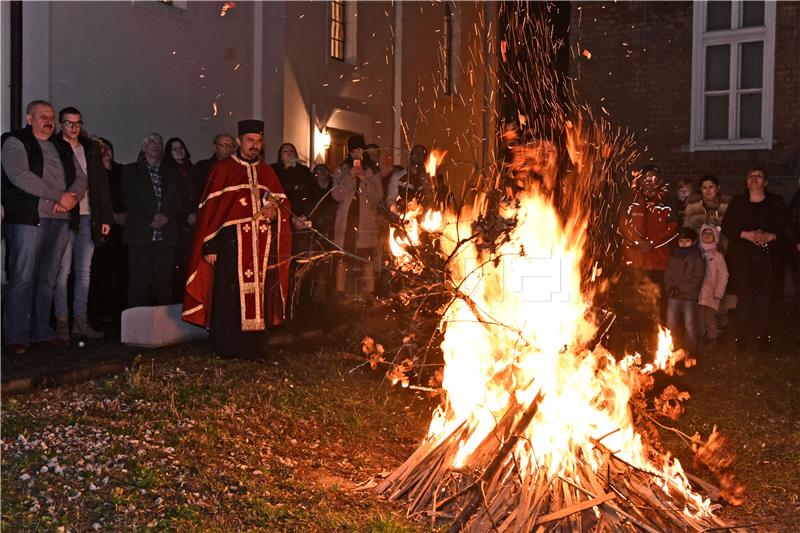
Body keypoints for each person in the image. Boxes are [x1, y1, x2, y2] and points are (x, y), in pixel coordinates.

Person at [183, 119, 292, 359]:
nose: (255, 145)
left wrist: (274, 212)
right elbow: (209, 214)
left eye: (259, 141)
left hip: (260, 245)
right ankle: (228, 348)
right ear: (239, 141)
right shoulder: (222, 170)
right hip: (230, 245)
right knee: (228, 294)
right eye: (250, 141)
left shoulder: (267, 171)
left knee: (259, 293)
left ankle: (255, 348)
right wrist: (209, 245)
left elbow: (282, 206)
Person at [1, 100, 87, 354]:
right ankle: (17, 336)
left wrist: (70, 197)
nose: (48, 120)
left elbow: (80, 179)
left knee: (48, 279)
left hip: (59, 220)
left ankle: (41, 331)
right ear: (29, 118)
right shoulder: (15, 141)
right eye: (42, 116)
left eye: (51, 116)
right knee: (22, 277)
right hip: (28, 219)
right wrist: (59, 196)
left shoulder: (61, 145)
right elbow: (20, 176)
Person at [53, 106, 113, 341]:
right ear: (61, 124)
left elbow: (100, 184)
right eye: (69, 123)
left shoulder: (89, 148)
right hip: (66, 216)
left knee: (83, 271)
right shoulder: (56, 146)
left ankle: (80, 320)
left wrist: (106, 217)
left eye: (78, 123)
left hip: (89, 215)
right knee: (63, 270)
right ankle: (61, 322)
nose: (74, 127)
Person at [721, 167, 785, 352]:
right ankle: (742, 337)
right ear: (746, 182)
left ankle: (764, 337)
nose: (754, 178)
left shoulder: (776, 202)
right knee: (745, 298)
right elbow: (727, 227)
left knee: (765, 299)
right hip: (743, 259)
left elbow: (785, 226)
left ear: (765, 182)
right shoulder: (738, 202)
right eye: (750, 176)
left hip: (768, 259)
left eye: (758, 176)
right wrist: (745, 234)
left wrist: (770, 236)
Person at [122, 133, 181, 307]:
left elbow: (177, 200)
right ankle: (137, 326)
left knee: (164, 280)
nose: (156, 145)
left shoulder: (170, 173)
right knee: (139, 280)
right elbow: (129, 198)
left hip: (165, 233)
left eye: (159, 142)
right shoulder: (130, 170)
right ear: (143, 147)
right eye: (152, 142)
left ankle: (163, 324)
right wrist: (152, 215)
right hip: (141, 232)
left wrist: (166, 217)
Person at [270, 142, 325, 319]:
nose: (290, 153)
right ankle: (281, 307)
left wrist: (305, 217)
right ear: (280, 155)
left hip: (302, 226)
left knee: (303, 266)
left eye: (293, 151)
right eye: (286, 151)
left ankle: (302, 306)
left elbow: (314, 197)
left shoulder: (304, 173)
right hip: (280, 225)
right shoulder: (274, 172)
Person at [331, 135, 384, 302]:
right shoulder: (342, 169)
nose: (356, 154)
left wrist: (363, 178)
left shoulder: (372, 171)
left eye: (359, 150)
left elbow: (378, 196)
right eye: (353, 151)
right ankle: (340, 293)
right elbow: (336, 195)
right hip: (347, 222)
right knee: (343, 257)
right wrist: (350, 177)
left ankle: (369, 294)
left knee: (366, 258)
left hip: (365, 222)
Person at [162, 137, 195, 301]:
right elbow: (170, 200)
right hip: (177, 224)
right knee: (178, 265)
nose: (179, 151)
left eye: (181, 147)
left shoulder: (193, 169)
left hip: (195, 222)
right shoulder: (167, 172)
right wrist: (185, 215)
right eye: (174, 149)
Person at [664, 227, 706, 354]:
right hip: (674, 296)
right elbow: (668, 274)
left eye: (687, 241)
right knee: (670, 323)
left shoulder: (697, 258)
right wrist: (670, 287)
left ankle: (690, 350)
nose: (684, 244)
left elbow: (697, 278)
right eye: (681, 241)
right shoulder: (674, 256)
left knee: (690, 324)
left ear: (693, 242)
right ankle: (668, 350)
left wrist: (680, 289)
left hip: (689, 297)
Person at [697, 224, 729, 350]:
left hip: (711, 294)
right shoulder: (697, 253)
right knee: (699, 318)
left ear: (715, 237)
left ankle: (712, 338)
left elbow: (723, 275)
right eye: (705, 233)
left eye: (710, 234)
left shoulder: (718, 256)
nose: (707, 236)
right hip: (698, 293)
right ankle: (701, 337)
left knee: (710, 319)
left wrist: (718, 292)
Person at [683, 175, 731, 239]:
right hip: (698, 246)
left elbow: (732, 230)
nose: (707, 190)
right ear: (701, 189)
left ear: (718, 188)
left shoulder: (727, 207)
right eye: (704, 188)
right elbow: (687, 231)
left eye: (711, 187)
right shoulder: (692, 207)